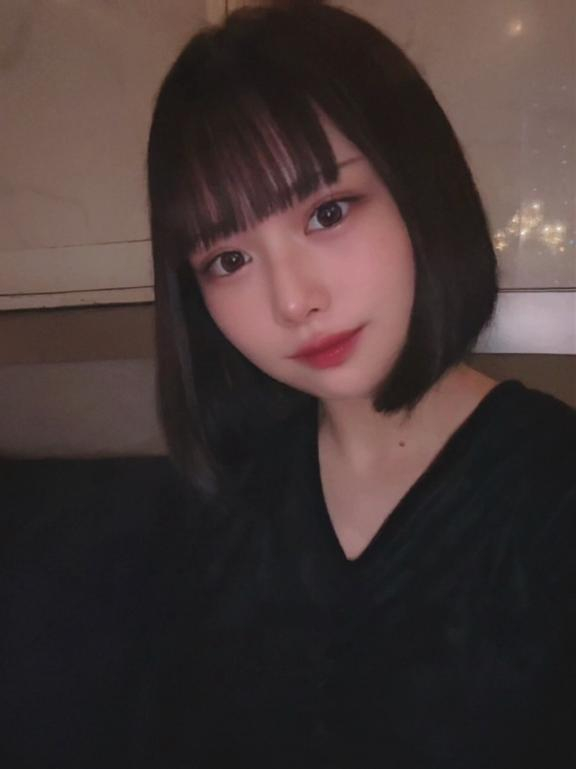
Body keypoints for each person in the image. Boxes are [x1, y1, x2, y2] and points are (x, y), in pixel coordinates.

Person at [0, 1, 574, 768]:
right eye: (228, 260)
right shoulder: (224, 501)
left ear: (418, 185)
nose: (293, 300)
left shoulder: (551, 493)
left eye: (328, 212)